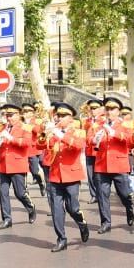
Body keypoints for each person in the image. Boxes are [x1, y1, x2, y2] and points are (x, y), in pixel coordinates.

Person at [42, 102, 91, 252]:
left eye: (63, 116)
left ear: (71, 118)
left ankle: (82, 224)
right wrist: (44, 133)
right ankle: (61, 239)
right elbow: (39, 146)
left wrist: (59, 134)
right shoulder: (53, 131)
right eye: (59, 115)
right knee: (56, 208)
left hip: (71, 174)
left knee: (73, 208)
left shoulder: (78, 131)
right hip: (55, 174)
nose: (60, 118)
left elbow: (77, 145)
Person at [92, 96, 134, 234]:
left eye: (113, 109)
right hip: (101, 164)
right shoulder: (98, 124)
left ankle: (129, 207)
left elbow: (131, 140)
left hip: (119, 164)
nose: (109, 112)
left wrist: (113, 133)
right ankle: (106, 222)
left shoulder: (126, 124)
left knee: (123, 194)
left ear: (118, 111)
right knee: (102, 195)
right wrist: (94, 139)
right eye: (108, 109)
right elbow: (88, 139)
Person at [0, 102, 37, 228]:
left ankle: (30, 207)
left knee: (20, 193)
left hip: (17, 164)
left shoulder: (26, 127)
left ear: (18, 115)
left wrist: (11, 139)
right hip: (2, 164)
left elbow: (27, 143)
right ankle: (7, 219)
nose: (8, 118)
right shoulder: (2, 127)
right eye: (7, 115)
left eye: (11, 115)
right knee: (3, 193)